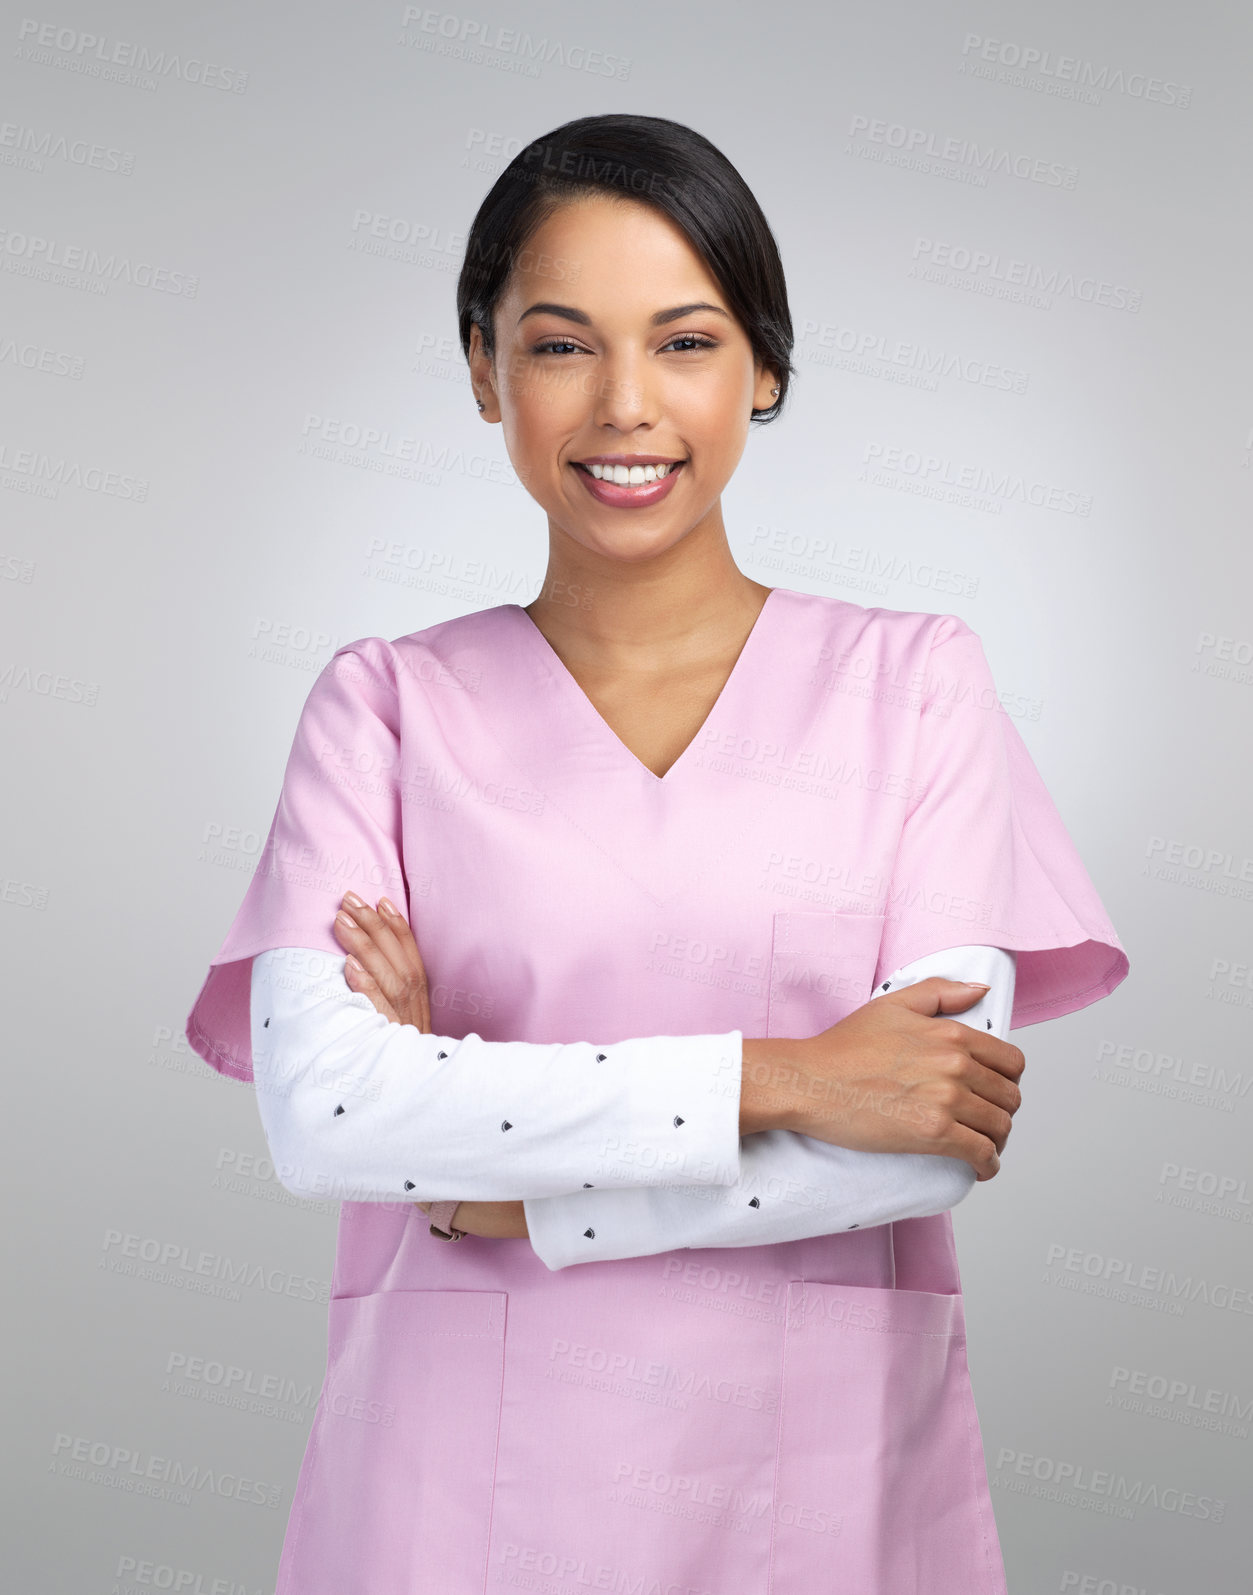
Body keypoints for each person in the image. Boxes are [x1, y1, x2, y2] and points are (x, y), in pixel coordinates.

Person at [186, 113, 1129, 1595]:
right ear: (484, 371)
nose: (625, 405)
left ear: (762, 369)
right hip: (455, 1479)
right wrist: (793, 1077)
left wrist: (494, 1179)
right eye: (560, 346)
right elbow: (326, 1116)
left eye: (684, 341)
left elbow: (928, 1141)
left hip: (813, 1470)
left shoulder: (917, 685)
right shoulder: (382, 705)